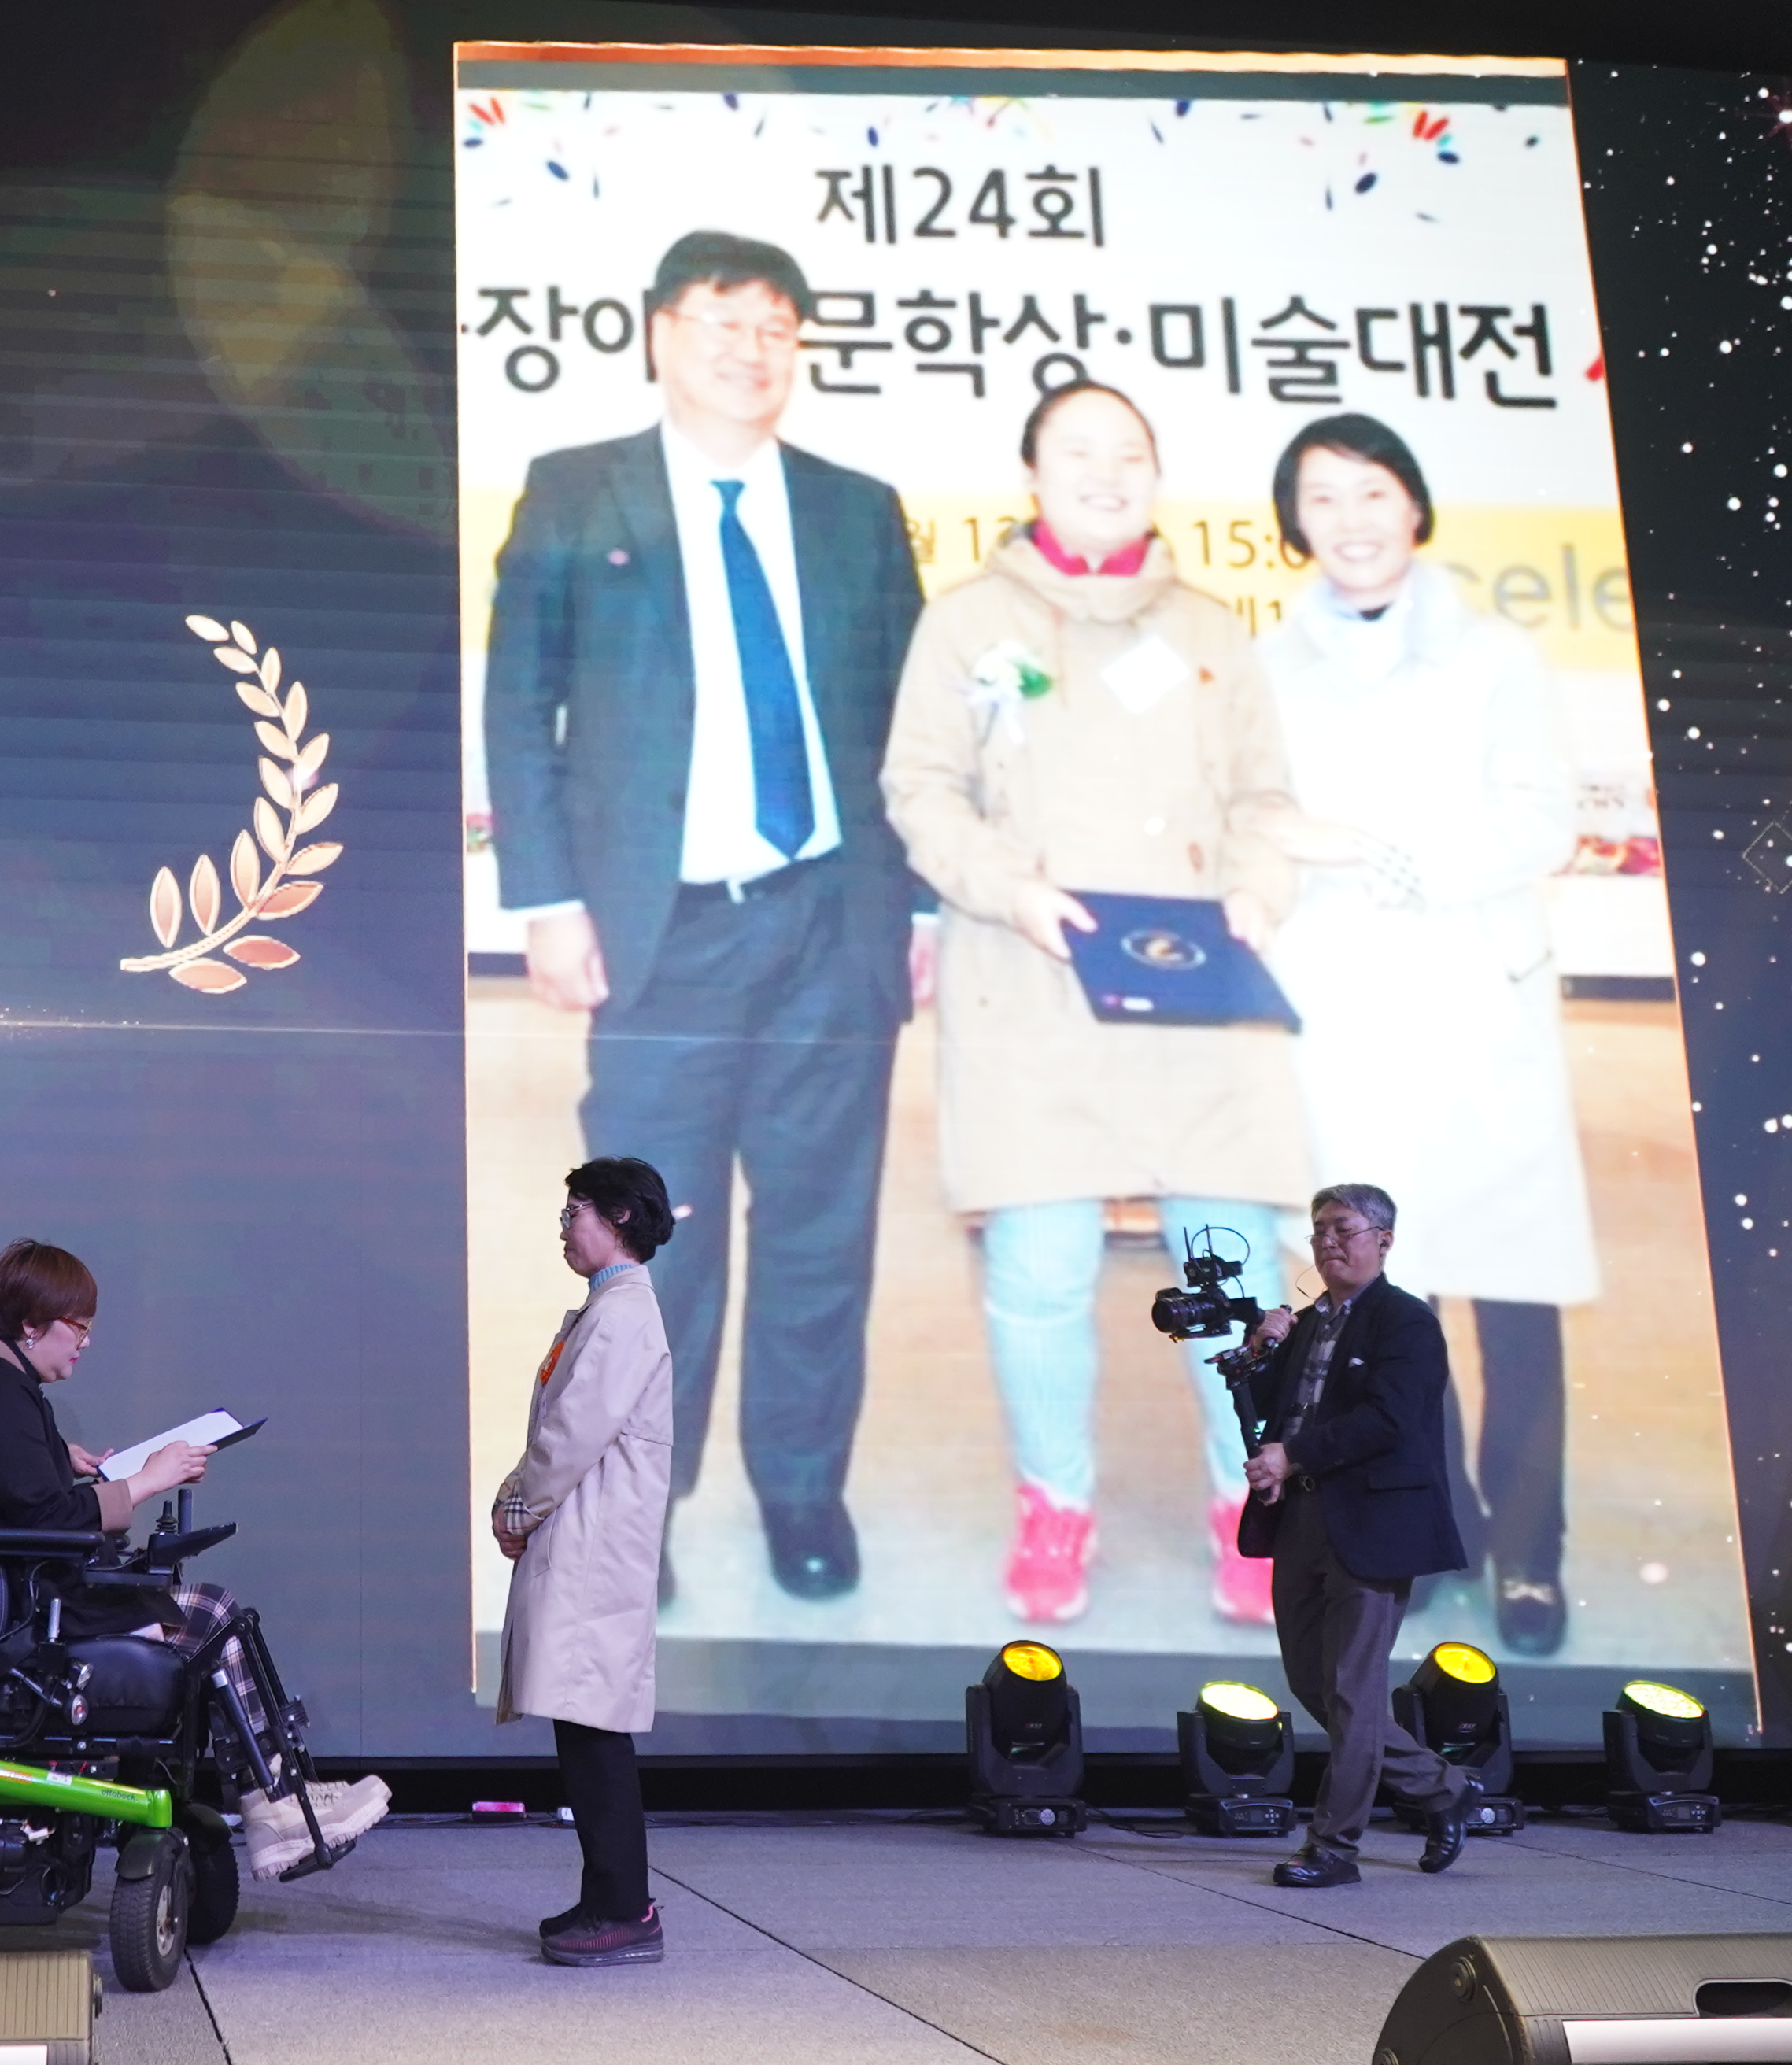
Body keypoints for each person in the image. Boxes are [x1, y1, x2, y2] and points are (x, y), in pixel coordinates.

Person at [482, 228, 924, 1601]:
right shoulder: (575, 490)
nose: (751, 347)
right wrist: (547, 899)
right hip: (659, 933)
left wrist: (917, 911)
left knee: (819, 1235)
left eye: (776, 326)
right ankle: (639, 1502)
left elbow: (909, 729)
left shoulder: (857, 508)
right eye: (722, 320)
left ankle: (802, 1491)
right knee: (650, 1246)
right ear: (662, 334)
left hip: (831, 924)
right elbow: (519, 704)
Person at [881, 380, 1309, 1627]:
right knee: (1039, 1271)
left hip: (1198, 988)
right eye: (1079, 451)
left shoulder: (1213, 626)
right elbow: (921, 789)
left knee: (1230, 1272)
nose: (1107, 472)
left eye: (1130, 453)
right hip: (1031, 980)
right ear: (1032, 475)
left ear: (1157, 476)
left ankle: (1249, 1503)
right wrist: (1007, 889)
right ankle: (1054, 1506)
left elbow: (1265, 800)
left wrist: (1259, 888)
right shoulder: (967, 623)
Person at [1256, 415, 1597, 1657]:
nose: (1349, 520)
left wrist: (1390, 858)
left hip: (1475, 1004)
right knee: (1397, 1306)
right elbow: (1257, 815)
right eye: (1321, 498)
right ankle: (1440, 1525)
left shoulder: (1496, 651)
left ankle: (1533, 1555)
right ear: (1294, 522)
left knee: (1515, 1291)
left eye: (1371, 492)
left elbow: (1544, 817)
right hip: (1346, 1010)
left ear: (1413, 504)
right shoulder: (1267, 665)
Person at [0, 1236, 392, 1878]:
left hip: (29, 1588)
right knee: (214, 1617)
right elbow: (46, 1519)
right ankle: (273, 1803)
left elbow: (23, 1494)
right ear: (31, 1324)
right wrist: (147, 1480)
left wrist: (69, 1463)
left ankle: (275, 1795)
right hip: (30, 1608)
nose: (86, 1342)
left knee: (217, 1613)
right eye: (77, 1327)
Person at [1239, 1183, 1477, 1886]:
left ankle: (1333, 1848)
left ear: (1383, 1240)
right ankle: (1442, 1788)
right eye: (1319, 1231)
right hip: (1302, 1517)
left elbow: (1389, 1420)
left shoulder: (1406, 1323)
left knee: (1350, 1688)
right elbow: (1272, 1407)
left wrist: (1294, 1455)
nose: (1328, 1242)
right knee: (1313, 1681)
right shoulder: (1308, 1322)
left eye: (1343, 1229)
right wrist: (1261, 1352)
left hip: (1373, 1524)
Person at [493, 1157, 677, 1970]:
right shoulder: (608, 1309)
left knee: (595, 1731)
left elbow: (572, 1435)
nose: (565, 1228)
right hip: (586, 1540)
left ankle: (625, 1907)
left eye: (575, 1212)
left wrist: (518, 1506)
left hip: (595, 1548)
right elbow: (561, 1428)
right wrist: (518, 1495)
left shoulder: (624, 1314)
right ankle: (610, 1895)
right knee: (585, 1724)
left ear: (619, 1218)